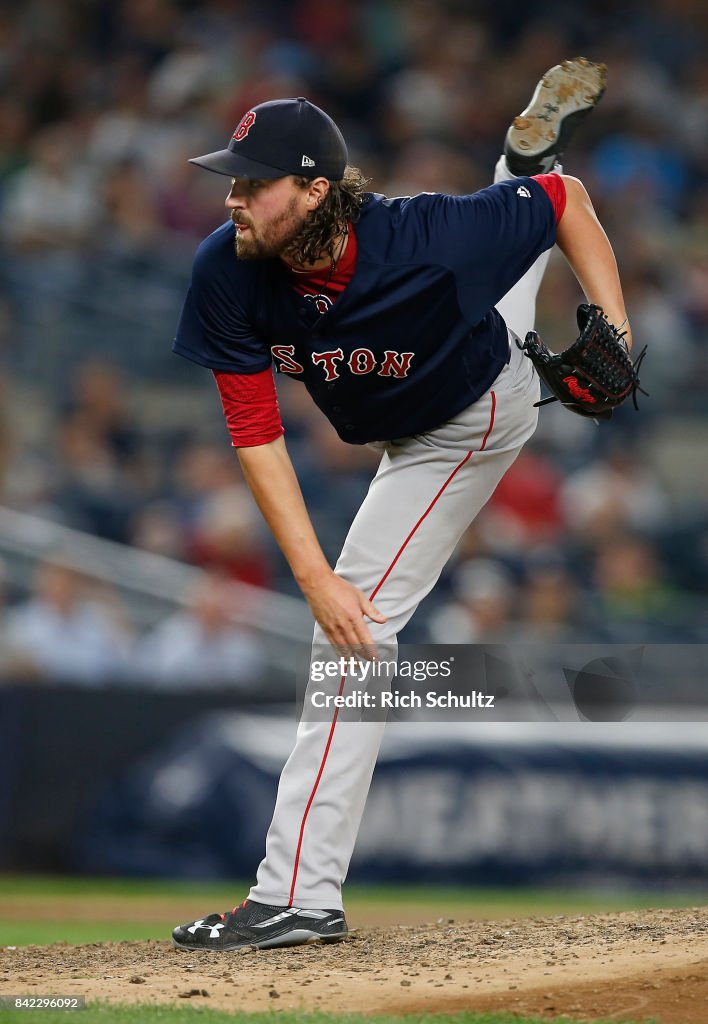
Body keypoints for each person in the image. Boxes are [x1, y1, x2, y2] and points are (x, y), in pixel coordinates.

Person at [171, 58, 631, 951]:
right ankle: (515, 163)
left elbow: (569, 205)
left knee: (355, 632)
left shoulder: (421, 235)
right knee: (509, 262)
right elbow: (254, 428)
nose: (232, 200)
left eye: (253, 184)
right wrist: (306, 572)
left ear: (311, 190)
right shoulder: (227, 270)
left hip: (467, 418)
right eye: (230, 183)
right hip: (457, 338)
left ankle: (299, 893)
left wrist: (611, 326)